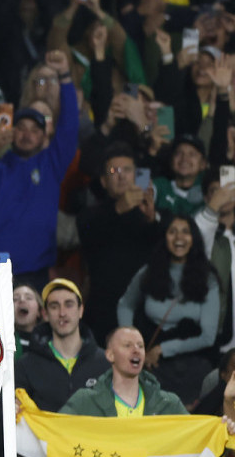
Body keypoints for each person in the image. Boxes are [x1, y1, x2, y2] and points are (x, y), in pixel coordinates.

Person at [0, 51, 79, 281]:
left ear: (45, 136)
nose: (27, 134)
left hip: (38, 270)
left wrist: (64, 76)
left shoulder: (51, 164)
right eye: (21, 128)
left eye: (35, 130)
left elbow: (69, 126)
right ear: (12, 133)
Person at [116, 215, 220, 404]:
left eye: (185, 231)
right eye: (172, 231)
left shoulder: (208, 278)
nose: (178, 237)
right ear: (164, 237)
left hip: (194, 365)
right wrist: (132, 344)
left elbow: (208, 336)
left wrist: (163, 349)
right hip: (153, 366)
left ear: (193, 239)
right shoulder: (149, 272)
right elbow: (125, 305)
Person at [76, 143, 160, 344]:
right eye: (114, 171)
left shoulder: (147, 213)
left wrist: (152, 219)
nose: (122, 176)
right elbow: (90, 236)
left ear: (137, 175)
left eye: (128, 170)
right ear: (104, 182)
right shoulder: (90, 215)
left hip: (146, 310)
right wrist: (119, 208)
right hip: (104, 311)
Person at [15, 279, 110, 411]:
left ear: (81, 310)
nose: (62, 313)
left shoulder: (105, 362)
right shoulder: (25, 365)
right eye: (54, 306)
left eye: (69, 305)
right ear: (45, 314)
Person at [61, 326, 188, 415]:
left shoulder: (169, 404)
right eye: (127, 345)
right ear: (110, 355)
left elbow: (196, 438)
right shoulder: (85, 401)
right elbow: (55, 434)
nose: (136, 350)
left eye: (140, 346)